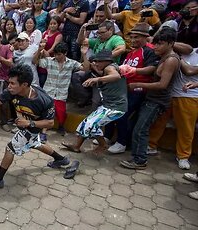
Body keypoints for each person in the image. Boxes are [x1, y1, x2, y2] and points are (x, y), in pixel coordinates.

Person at [0, 64, 70, 189]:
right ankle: (61, 159)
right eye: (9, 82)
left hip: (31, 129)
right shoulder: (11, 92)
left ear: (25, 85)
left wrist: (29, 124)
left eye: (12, 83)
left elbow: (50, 123)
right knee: (35, 144)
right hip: (27, 128)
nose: (9, 86)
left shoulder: (43, 100)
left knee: (10, 148)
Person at [120, 28, 180, 170]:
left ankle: (139, 160)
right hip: (152, 98)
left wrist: (138, 84)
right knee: (139, 127)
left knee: (140, 130)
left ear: (170, 44)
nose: (156, 47)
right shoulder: (166, 57)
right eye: (156, 44)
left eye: (160, 44)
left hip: (157, 101)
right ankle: (137, 157)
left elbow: (163, 84)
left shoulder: (171, 60)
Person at [104, 23, 159, 154]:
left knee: (122, 114)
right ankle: (107, 137)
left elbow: (152, 68)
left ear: (146, 37)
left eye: (137, 37)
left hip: (138, 91)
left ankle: (121, 143)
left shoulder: (148, 51)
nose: (133, 40)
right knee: (112, 111)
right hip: (125, 89)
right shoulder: (131, 53)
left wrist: (135, 70)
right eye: (132, 37)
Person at [62, 50, 128, 155]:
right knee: (86, 123)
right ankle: (76, 146)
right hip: (108, 105)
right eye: (95, 61)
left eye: (99, 61)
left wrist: (97, 79)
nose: (96, 63)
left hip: (115, 107)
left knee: (91, 125)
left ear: (107, 61)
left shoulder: (110, 67)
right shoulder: (105, 69)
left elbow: (116, 76)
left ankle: (103, 145)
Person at [38, 42, 82, 138]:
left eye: (59, 54)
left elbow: (85, 68)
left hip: (61, 94)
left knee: (61, 114)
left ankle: (60, 126)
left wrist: (84, 53)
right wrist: (39, 50)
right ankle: (43, 132)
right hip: (48, 92)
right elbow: (35, 62)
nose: (56, 56)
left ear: (65, 53)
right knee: (48, 111)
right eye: (55, 54)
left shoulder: (72, 63)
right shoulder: (49, 61)